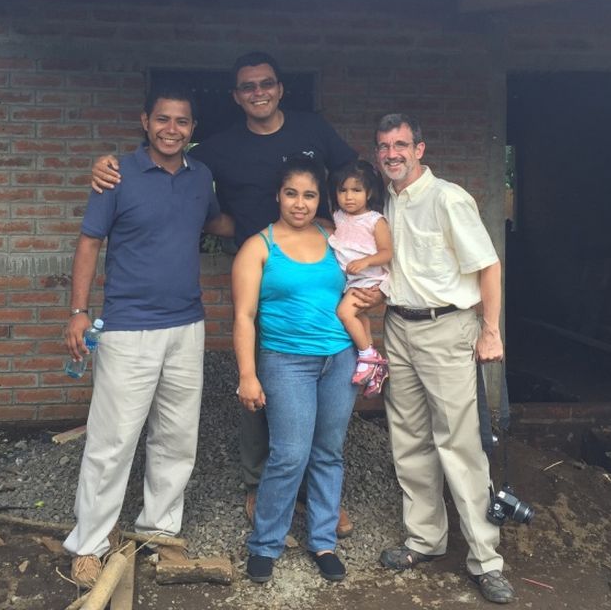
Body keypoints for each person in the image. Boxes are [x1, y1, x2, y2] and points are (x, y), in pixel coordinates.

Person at [90, 52, 358, 533]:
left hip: (316, 271)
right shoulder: (219, 149)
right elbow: (169, 160)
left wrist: (352, 234)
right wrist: (108, 166)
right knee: (260, 384)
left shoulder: (313, 129)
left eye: (266, 83)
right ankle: (259, 482)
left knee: (323, 384)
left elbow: (353, 178)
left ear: (280, 89)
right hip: (262, 273)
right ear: (236, 96)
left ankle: (318, 495)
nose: (259, 92)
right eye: (248, 86)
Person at [62, 88, 232, 588]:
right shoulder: (116, 175)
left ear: (192, 128)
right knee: (112, 440)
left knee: (176, 436)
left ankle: (159, 531)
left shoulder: (200, 177)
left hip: (187, 326)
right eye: (163, 119)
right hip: (127, 328)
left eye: (182, 121)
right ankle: (89, 544)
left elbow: (216, 221)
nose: (171, 129)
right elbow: (89, 242)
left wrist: (280, 219)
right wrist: (78, 312)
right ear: (145, 121)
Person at [361, 113, 516, 605]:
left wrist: (490, 331)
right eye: (384, 146)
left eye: (401, 145)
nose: (392, 154)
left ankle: (486, 559)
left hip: (446, 328)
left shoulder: (448, 198)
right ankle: (425, 539)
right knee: (409, 438)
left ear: (419, 149)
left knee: (460, 443)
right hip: (399, 327)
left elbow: (488, 266)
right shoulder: (386, 201)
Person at [231, 157, 359, 584]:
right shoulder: (258, 246)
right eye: (291, 194)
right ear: (278, 196)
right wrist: (247, 374)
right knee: (289, 454)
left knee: (328, 451)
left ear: (320, 199)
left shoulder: (334, 237)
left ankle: (323, 541)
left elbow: (363, 284)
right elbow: (244, 317)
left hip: (339, 358)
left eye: (309, 195)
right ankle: (265, 543)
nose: (300, 203)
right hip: (285, 361)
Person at [327, 160, 392, 397]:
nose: (348, 197)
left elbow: (387, 252)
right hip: (351, 281)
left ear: (369, 193)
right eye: (342, 190)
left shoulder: (375, 220)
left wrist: (366, 261)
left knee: (344, 313)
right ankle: (375, 368)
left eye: (356, 190)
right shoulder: (338, 216)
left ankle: (367, 356)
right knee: (359, 317)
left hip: (368, 279)